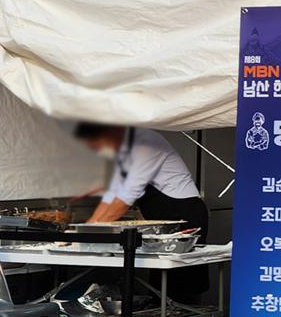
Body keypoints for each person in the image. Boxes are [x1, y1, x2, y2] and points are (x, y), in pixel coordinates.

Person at [73, 123, 210, 299]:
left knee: (182, 282)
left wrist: (87, 234)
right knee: (160, 283)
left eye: (97, 145)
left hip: (184, 215)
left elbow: (125, 198)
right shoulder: (123, 153)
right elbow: (113, 194)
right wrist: (85, 230)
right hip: (164, 219)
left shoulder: (145, 144)